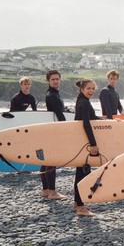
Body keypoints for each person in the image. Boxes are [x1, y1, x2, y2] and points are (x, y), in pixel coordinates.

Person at [73, 79, 100, 217]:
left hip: (81, 141)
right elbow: (86, 124)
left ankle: (77, 203)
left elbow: (92, 118)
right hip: (85, 142)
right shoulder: (84, 102)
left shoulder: (81, 100)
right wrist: (93, 143)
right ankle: (81, 207)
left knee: (80, 171)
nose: (91, 91)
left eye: (93, 88)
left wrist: (109, 121)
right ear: (82, 89)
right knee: (83, 173)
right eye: (89, 88)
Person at [42, 70, 68, 200]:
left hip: (51, 129)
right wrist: (66, 128)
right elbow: (59, 114)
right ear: (48, 81)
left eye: (57, 79)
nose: (56, 81)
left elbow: (59, 110)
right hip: (55, 130)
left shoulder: (53, 94)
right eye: (53, 79)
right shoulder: (52, 95)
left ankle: (45, 190)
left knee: (46, 160)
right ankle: (52, 192)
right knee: (51, 160)